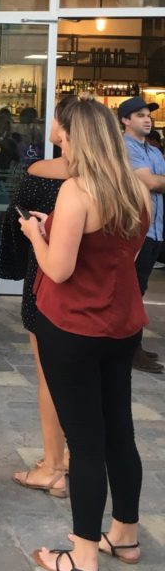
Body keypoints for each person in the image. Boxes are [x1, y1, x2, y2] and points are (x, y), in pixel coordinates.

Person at [20, 95, 150, 571]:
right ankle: (125, 536)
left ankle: (83, 556)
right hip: (122, 323)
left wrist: (35, 232)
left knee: (86, 442)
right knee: (120, 432)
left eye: (64, 139)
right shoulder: (136, 189)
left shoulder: (77, 191)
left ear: (79, 140)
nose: (62, 147)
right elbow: (121, 255)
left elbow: (59, 268)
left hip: (74, 326)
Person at [0, 104, 71, 498]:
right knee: (89, 380)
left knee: (49, 376)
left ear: (65, 130)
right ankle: (74, 455)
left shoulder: (41, 173)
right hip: (101, 295)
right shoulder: (118, 181)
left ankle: (53, 465)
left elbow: (16, 222)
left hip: (47, 281)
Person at [119, 96, 165, 372]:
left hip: (155, 230)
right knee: (132, 290)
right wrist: (157, 182)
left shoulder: (154, 152)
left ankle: (132, 344)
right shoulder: (126, 147)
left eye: (148, 115)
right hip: (137, 230)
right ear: (125, 120)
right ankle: (129, 349)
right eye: (139, 115)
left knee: (139, 288)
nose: (147, 119)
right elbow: (148, 182)